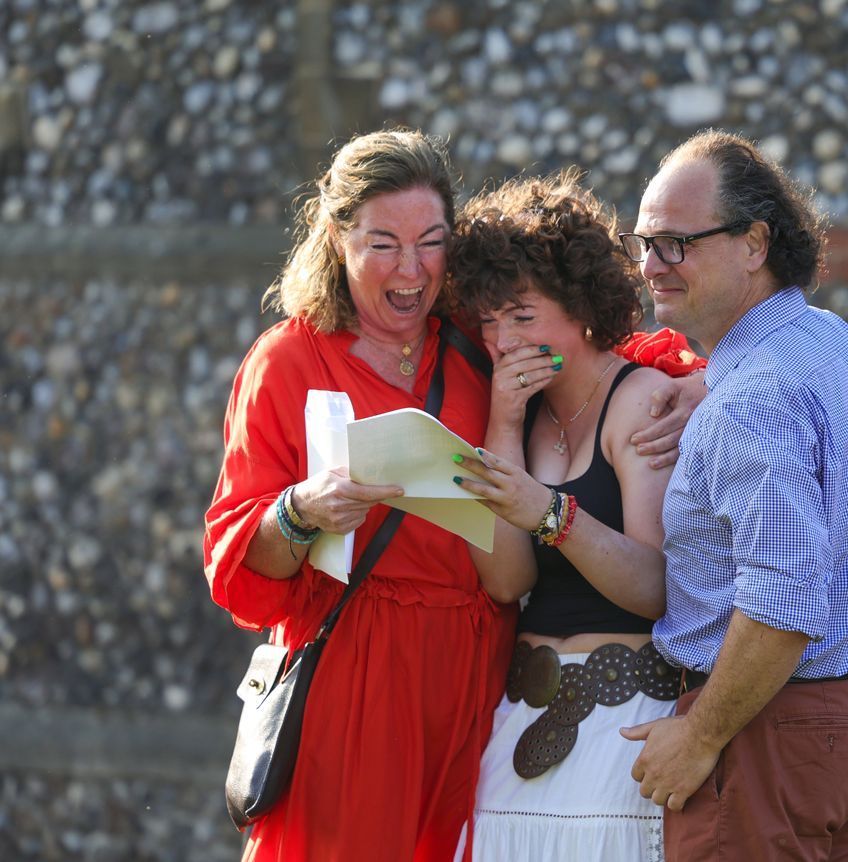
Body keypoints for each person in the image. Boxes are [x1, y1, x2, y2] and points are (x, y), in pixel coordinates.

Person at [202, 129, 705, 862]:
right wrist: (301, 511)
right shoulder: (290, 358)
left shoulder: (471, 336)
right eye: (382, 243)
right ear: (336, 237)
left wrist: (694, 382)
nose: (410, 269)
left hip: (480, 680)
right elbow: (237, 556)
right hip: (360, 677)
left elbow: (584, 343)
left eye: (430, 241)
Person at [618, 129, 848, 862]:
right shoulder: (830, 339)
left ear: (753, 243)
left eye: (676, 244)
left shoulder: (752, 398)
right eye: (643, 242)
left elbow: (782, 602)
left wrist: (701, 735)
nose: (651, 265)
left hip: (764, 737)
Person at [448, 170, 682, 861]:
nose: (504, 342)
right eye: (488, 322)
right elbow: (502, 581)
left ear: (581, 307)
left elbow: (656, 587)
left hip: (625, 718)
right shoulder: (517, 415)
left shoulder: (639, 400)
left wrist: (549, 512)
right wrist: (502, 421)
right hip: (520, 716)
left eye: (523, 316)